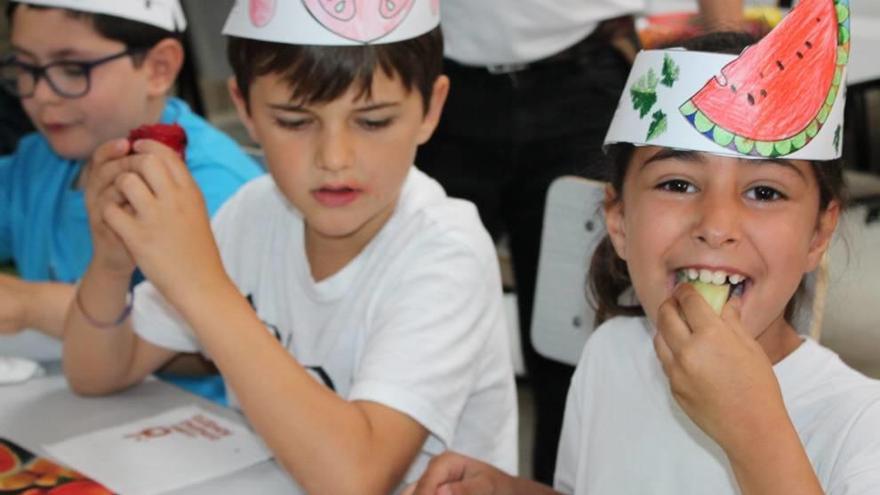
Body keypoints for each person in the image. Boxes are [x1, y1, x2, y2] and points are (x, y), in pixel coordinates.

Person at [408, 6, 880, 494]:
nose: (716, 227)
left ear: (820, 232)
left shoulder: (860, 426)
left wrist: (754, 432)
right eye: (677, 183)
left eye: (764, 192)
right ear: (618, 219)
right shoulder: (609, 355)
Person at [62, 1, 518, 493]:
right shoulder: (252, 214)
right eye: (294, 122)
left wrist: (201, 285)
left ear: (430, 109)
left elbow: (355, 478)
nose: (334, 158)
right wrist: (112, 261)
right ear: (246, 110)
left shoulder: (445, 249)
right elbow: (98, 372)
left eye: (374, 122)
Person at [416, 0, 745, 482]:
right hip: (435, 75)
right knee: (422, 323)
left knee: (575, 344)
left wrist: (731, 76)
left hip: (581, 76)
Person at [0, 1, 262, 370]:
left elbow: (235, 344)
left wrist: (32, 306)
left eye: (73, 69)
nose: (41, 95)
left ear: (159, 68)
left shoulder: (217, 191)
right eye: (25, 67)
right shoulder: (40, 162)